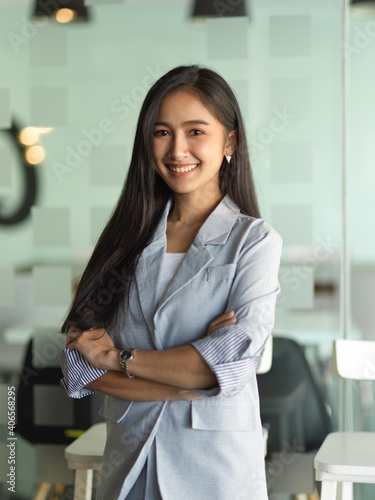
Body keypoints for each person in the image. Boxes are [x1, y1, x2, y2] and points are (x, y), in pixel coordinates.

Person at [60, 64, 282, 500]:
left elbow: (227, 366)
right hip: (129, 465)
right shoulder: (124, 239)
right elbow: (78, 366)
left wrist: (116, 355)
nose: (177, 149)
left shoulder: (254, 241)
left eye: (195, 131)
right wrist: (185, 380)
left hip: (213, 470)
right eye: (162, 132)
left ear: (230, 141)